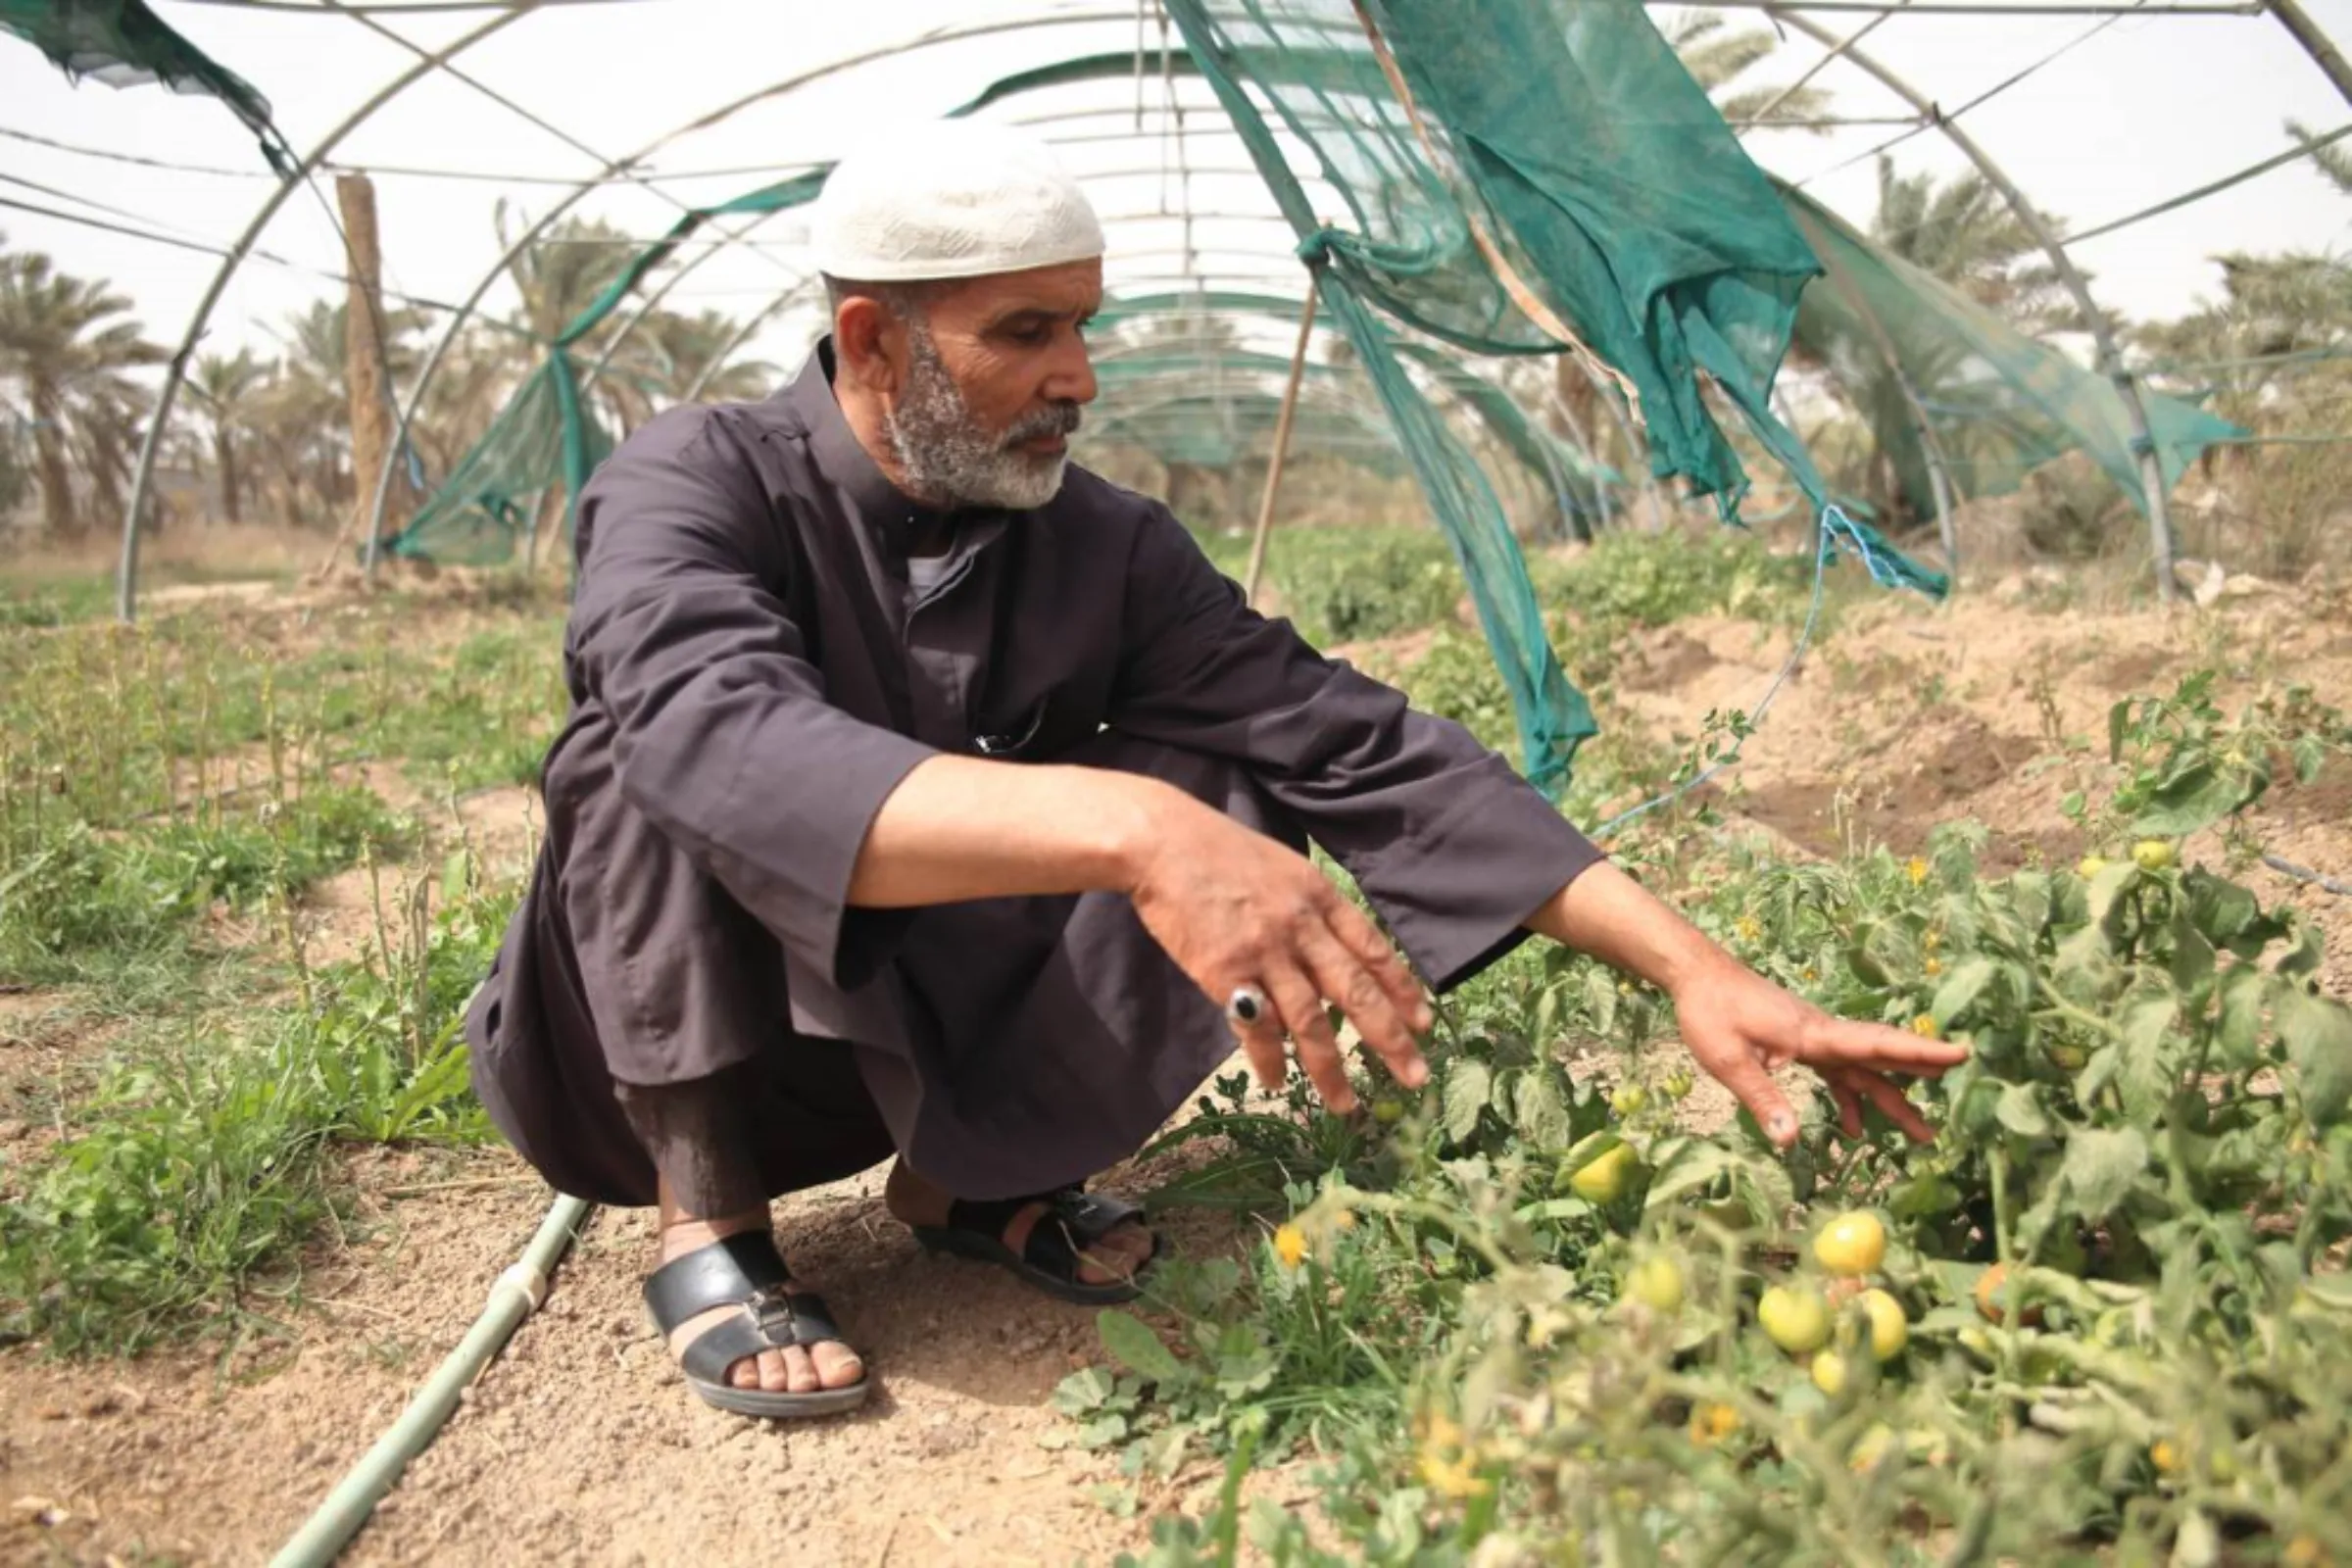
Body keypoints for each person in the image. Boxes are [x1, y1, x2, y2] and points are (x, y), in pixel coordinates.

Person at [464, 121, 1967, 1421]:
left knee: (1228, 766)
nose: (1082, 379)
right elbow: (715, 736)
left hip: (939, 1033)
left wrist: (1691, 967)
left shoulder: (1105, 544)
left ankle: (974, 1175)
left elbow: (1357, 744)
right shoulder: (696, 477)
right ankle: (708, 1226)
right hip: (730, 1049)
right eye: (1027, 334)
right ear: (873, 342)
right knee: (634, 751)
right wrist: (1132, 829)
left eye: (1086, 328)